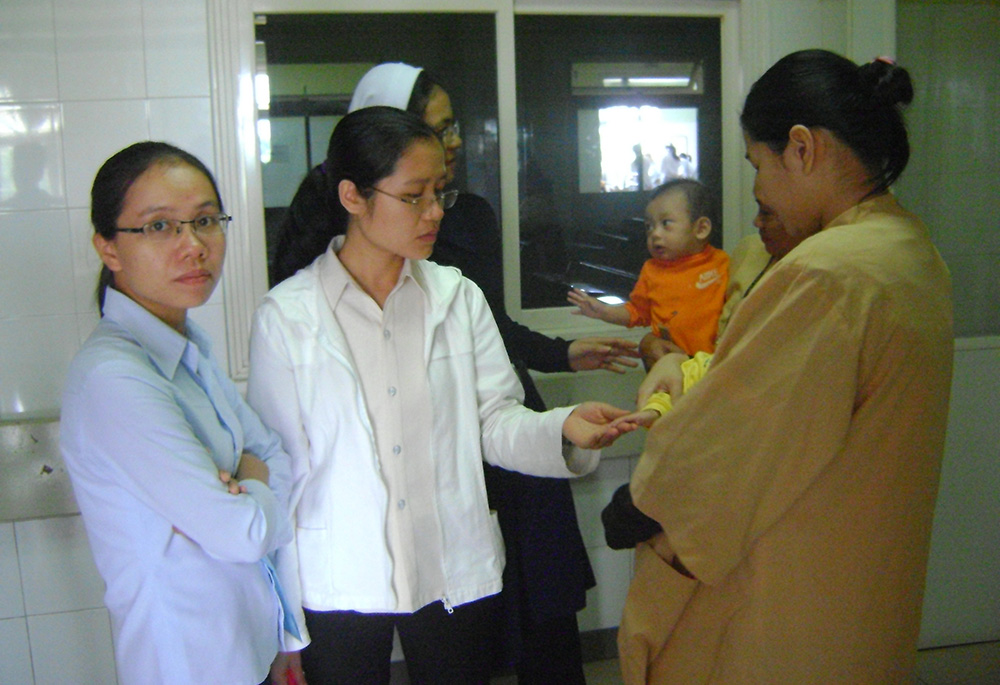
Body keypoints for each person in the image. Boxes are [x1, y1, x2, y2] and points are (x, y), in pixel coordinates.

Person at [270, 61, 638, 684]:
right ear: (352, 196)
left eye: (438, 191)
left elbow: (493, 420)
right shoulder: (288, 316)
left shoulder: (456, 296)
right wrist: (286, 626)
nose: (434, 211)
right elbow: (282, 470)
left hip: (453, 568)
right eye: (414, 196)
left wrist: (561, 430)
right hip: (338, 578)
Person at [616, 49, 954, 684]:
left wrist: (643, 505)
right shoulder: (909, 248)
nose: (757, 192)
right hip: (861, 577)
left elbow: (738, 443)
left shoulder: (830, 272)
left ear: (801, 148)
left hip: (787, 586)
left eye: (757, 165)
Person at [59, 142, 296, 685]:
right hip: (188, 664)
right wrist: (249, 486)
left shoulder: (188, 348)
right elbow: (242, 533)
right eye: (160, 227)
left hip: (246, 649)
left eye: (207, 220)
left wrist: (245, 481)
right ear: (109, 248)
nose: (195, 246)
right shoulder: (114, 378)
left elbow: (273, 455)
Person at [568, 178, 730, 356]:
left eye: (665, 223)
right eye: (649, 227)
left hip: (717, 365)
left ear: (701, 229)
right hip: (673, 367)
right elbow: (637, 312)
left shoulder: (723, 263)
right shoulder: (652, 270)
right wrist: (604, 311)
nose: (655, 234)